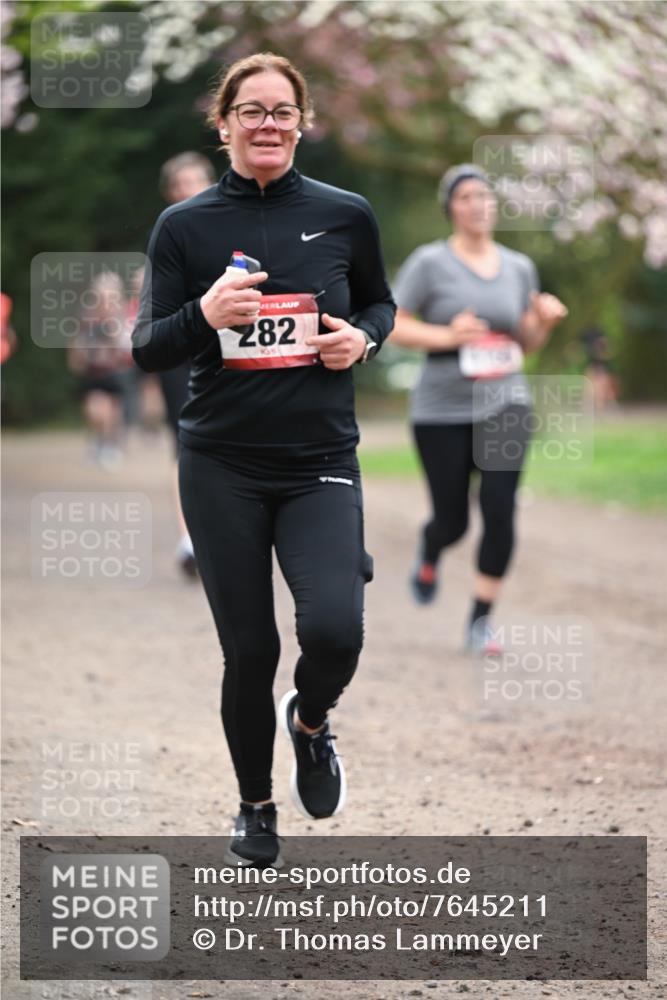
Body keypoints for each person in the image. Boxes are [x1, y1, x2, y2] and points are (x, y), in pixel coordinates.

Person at [132, 53, 395, 866]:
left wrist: (365, 338)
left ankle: (310, 723)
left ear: (301, 122)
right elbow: (146, 347)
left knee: (334, 630)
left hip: (318, 456)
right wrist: (206, 312)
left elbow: (379, 302)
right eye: (252, 111)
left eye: (282, 111)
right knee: (250, 650)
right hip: (222, 466)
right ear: (224, 125)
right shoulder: (185, 228)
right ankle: (254, 806)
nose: (268, 124)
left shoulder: (345, 214)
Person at [390, 164, 567, 654]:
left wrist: (543, 322)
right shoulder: (429, 263)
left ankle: (480, 620)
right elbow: (393, 324)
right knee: (453, 522)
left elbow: (525, 343)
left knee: (500, 510)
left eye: (485, 197)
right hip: (440, 408)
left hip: (505, 403)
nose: (478, 205)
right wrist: (447, 335)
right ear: (451, 208)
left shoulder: (518, 267)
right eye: (467, 197)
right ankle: (431, 548)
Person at [157, 153, 217, 577]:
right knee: (185, 441)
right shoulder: (166, 233)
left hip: (226, 349)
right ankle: (190, 538)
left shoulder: (233, 225)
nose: (189, 188)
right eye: (181, 183)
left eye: (197, 180)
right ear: (170, 192)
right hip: (179, 351)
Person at [69, 271, 134, 471]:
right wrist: (77, 357)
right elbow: (77, 342)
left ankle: (109, 445)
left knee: (113, 410)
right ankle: (99, 441)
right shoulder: (88, 317)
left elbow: (128, 343)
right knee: (95, 409)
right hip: (95, 370)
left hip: (116, 370)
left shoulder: (123, 316)